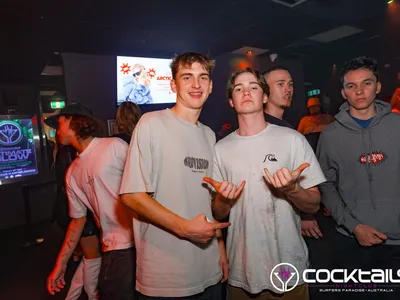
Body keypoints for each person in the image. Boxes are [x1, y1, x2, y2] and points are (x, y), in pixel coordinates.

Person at [119, 52, 238, 299]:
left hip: (208, 269)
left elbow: (208, 205)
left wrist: (221, 249)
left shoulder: (208, 135)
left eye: (202, 77)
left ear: (211, 86)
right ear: (173, 84)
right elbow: (132, 195)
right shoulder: (151, 123)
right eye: (187, 77)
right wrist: (184, 228)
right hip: (165, 274)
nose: (196, 85)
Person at [209, 67, 326, 300]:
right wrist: (223, 199)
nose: (246, 93)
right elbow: (218, 213)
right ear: (231, 101)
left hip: (288, 265)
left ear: (264, 97)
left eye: (253, 87)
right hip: (242, 270)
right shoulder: (220, 149)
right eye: (239, 89)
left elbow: (313, 205)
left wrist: (292, 190)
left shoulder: (292, 140)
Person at [317, 56, 400, 299]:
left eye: (366, 83)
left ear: (378, 87)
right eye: (351, 86)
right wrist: (354, 227)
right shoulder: (330, 135)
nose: (360, 91)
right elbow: (325, 184)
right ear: (343, 93)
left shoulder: (397, 125)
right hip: (352, 242)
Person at [46, 103, 136, 300]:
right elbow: (77, 221)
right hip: (112, 249)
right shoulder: (72, 173)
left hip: (137, 244)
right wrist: (60, 264)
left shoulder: (114, 147)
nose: (56, 129)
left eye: (59, 122)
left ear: (74, 121)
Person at [51, 139, 101, 300]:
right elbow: (79, 182)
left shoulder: (61, 151)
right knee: (93, 257)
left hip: (69, 207)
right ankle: (92, 295)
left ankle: (73, 296)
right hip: (77, 209)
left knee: (88, 257)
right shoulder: (68, 152)